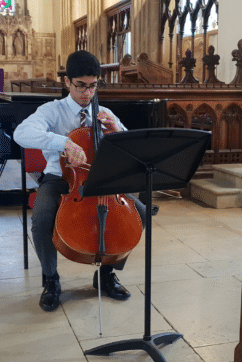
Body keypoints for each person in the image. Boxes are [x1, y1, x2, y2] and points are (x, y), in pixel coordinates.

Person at [13, 50, 146, 312]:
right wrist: (63, 142)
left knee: (141, 215)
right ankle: (51, 280)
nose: (87, 93)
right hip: (61, 179)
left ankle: (106, 274)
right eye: (81, 86)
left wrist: (117, 132)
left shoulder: (104, 112)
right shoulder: (52, 110)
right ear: (68, 83)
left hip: (103, 179)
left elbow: (131, 146)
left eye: (93, 85)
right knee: (41, 220)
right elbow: (21, 133)